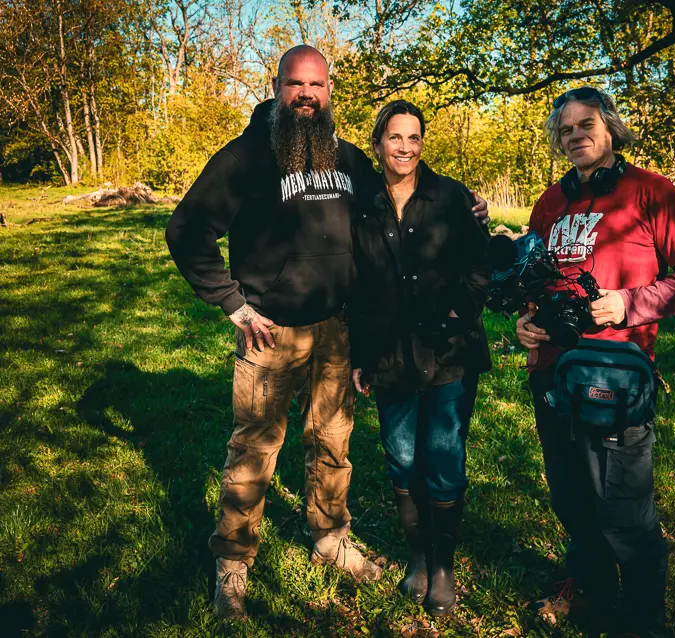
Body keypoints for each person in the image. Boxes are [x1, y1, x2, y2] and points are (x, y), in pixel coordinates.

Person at [165, 45, 489, 621]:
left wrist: (464, 209)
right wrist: (233, 304)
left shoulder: (345, 159)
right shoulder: (244, 159)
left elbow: (396, 201)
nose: (307, 95)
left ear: (330, 89)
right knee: (253, 450)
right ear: (276, 86)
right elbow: (187, 230)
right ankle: (233, 565)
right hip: (270, 334)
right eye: (296, 84)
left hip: (337, 330)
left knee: (333, 444)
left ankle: (330, 536)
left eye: (317, 84)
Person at [515, 87, 675, 638]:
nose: (575, 135)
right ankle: (591, 591)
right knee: (572, 498)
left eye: (586, 124)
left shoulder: (651, 192)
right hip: (554, 373)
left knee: (624, 509)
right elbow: (532, 280)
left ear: (610, 129)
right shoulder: (548, 204)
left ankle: (643, 618)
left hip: (615, 375)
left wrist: (631, 303)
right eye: (565, 129)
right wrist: (525, 322)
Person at [349, 100, 492, 617]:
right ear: (378, 144)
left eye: (413, 138)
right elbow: (357, 286)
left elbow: (484, 262)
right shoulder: (362, 203)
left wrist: (461, 307)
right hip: (389, 354)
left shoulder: (451, 196)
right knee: (402, 456)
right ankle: (417, 555)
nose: (405, 147)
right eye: (394, 138)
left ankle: (444, 566)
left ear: (422, 143)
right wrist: (359, 356)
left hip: (449, 350)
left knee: (444, 457)